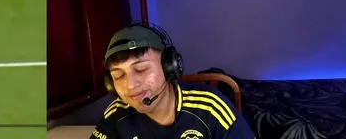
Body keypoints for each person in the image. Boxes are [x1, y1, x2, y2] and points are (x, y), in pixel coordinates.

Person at [96, 23, 253, 139]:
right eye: (119, 76)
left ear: (170, 67)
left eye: (141, 69)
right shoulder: (115, 115)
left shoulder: (211, 108)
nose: (130, 85)